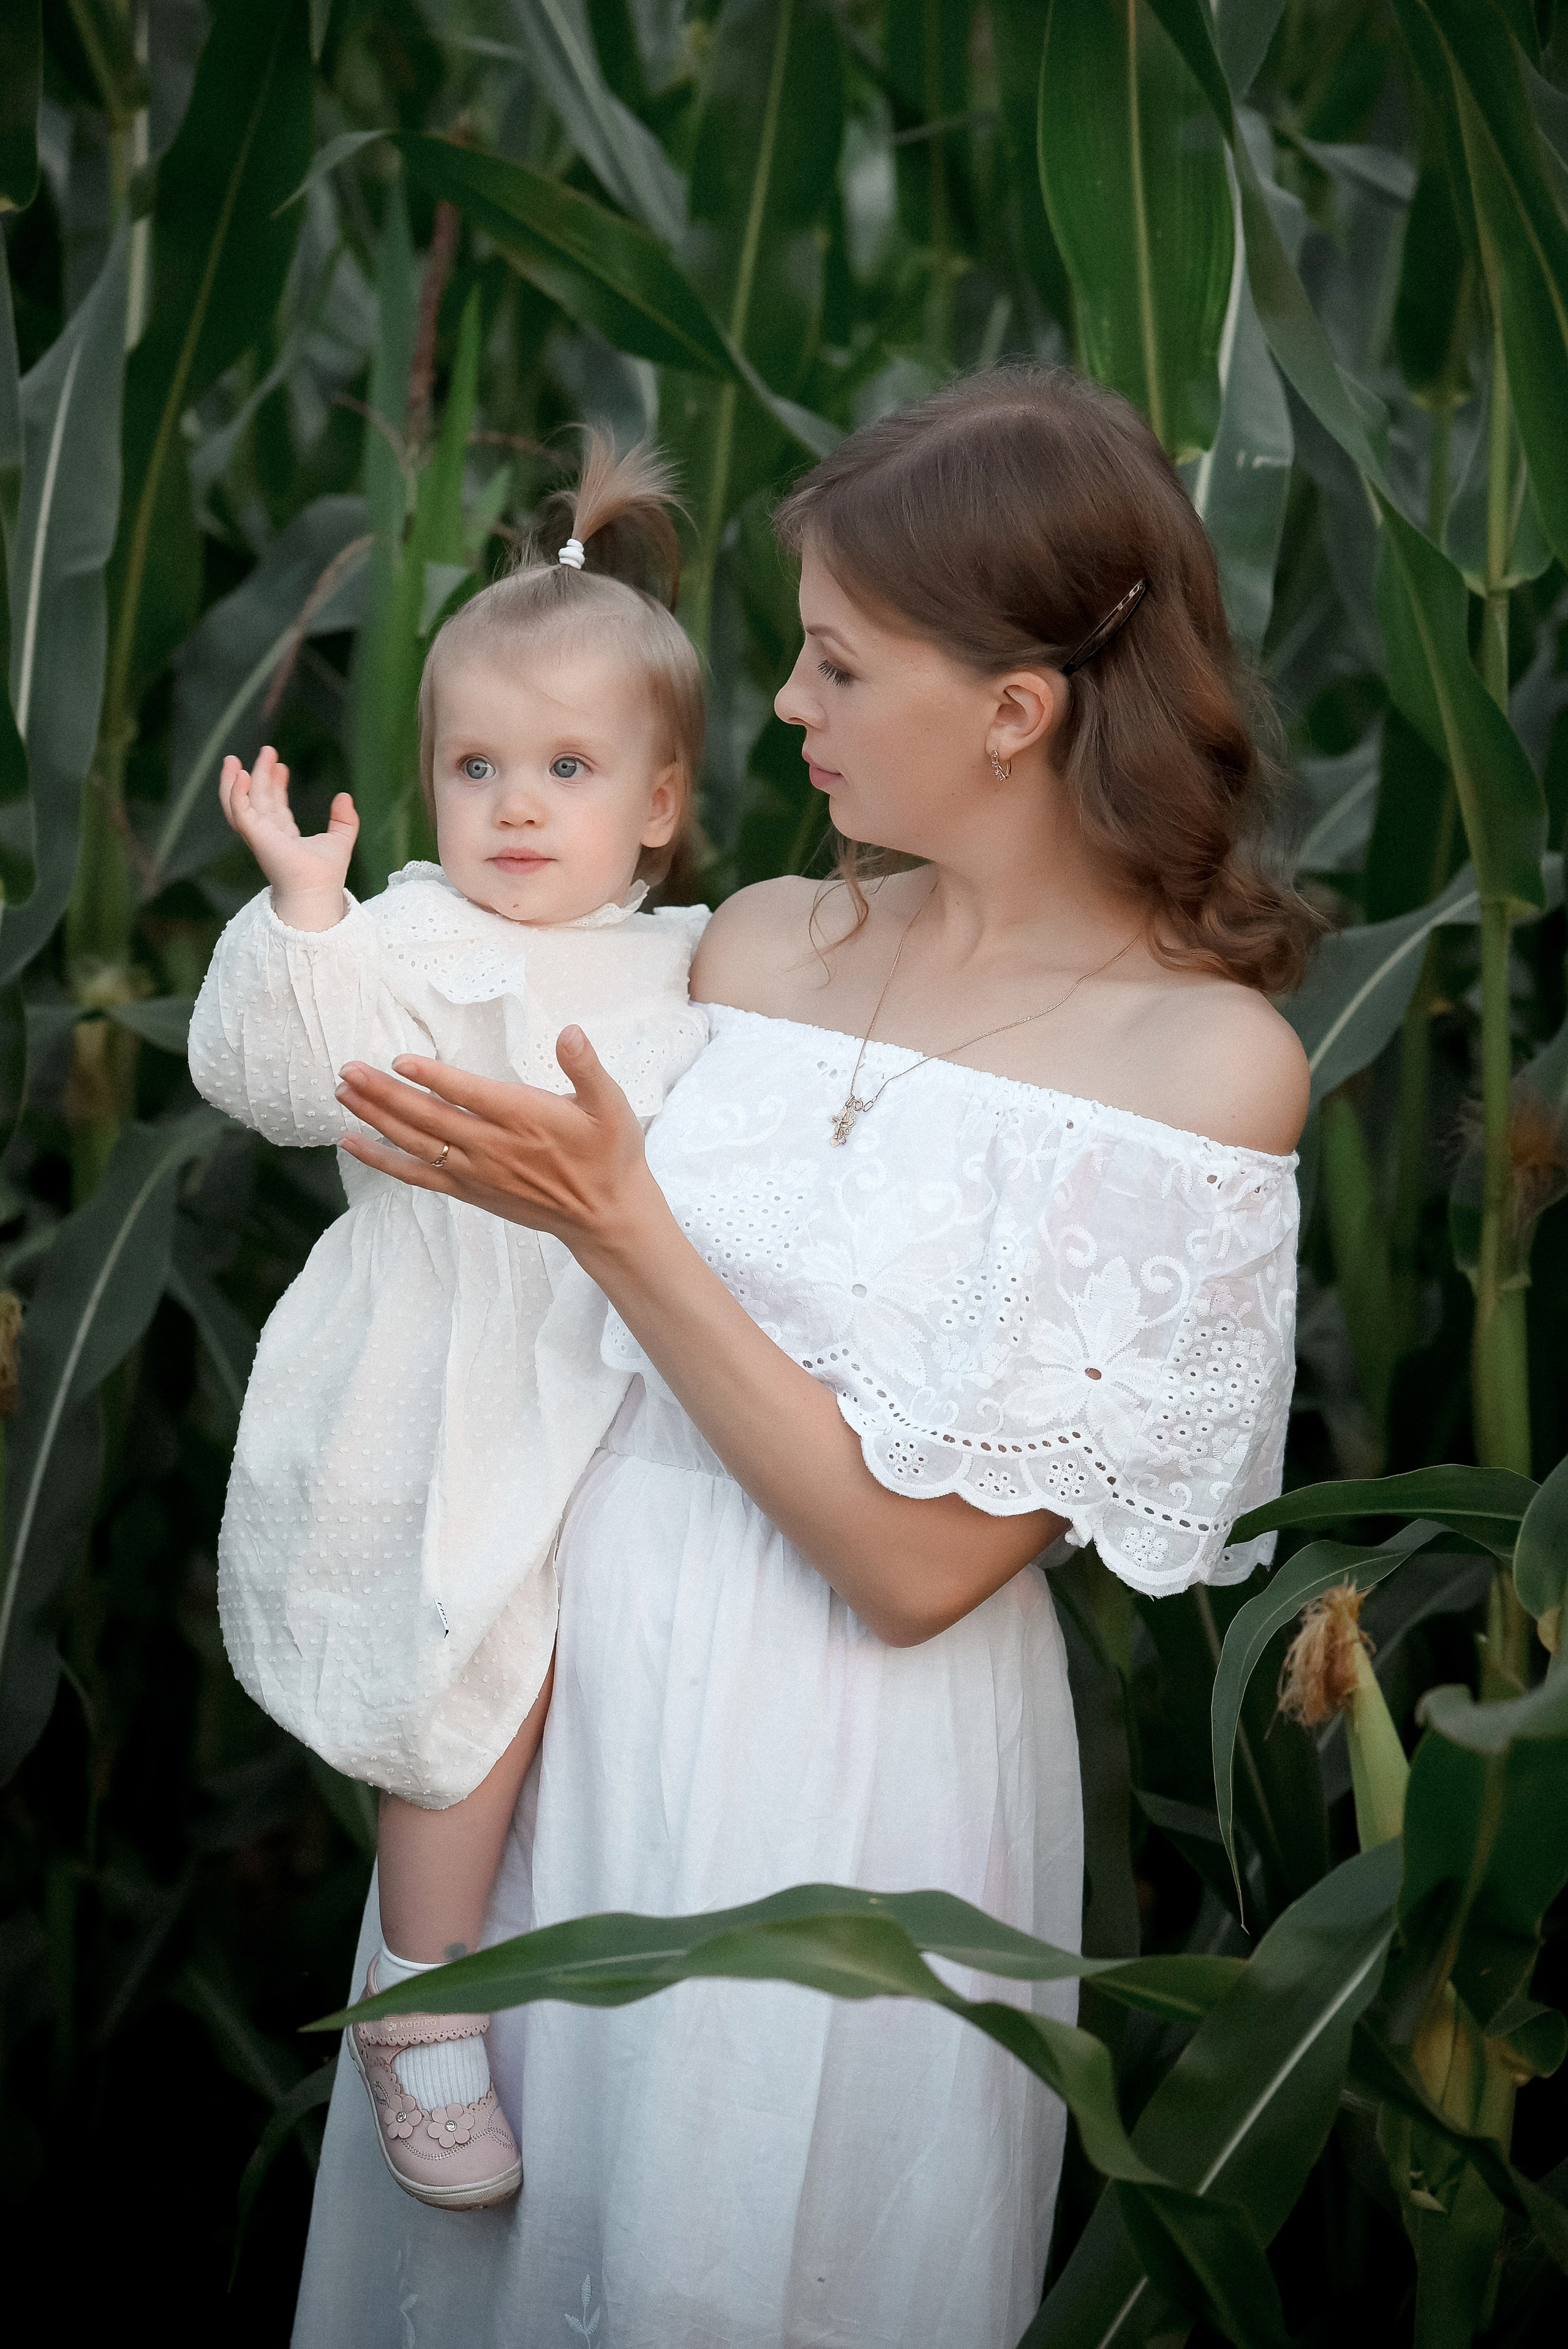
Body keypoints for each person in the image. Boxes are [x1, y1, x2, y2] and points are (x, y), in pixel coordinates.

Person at [291, 363, 1313, 2348]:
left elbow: (916, 1566)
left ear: (1015, 711)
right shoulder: (752, 943)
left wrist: (619, 1224)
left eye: (839, 667)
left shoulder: (1206, 1071)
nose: (784, 709)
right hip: (550, 1709)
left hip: (852, 1799)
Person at [189, 440, 711, 2211]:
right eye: (476, 764)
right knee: (476, 1685)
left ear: (660, 800)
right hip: (449, 1376)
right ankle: (422, 2000)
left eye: (569, 767)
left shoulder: (696, 967)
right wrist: (308, 907)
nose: (513, 804)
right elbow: (270, 1078)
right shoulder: (409, 935)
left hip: (629, 1381)